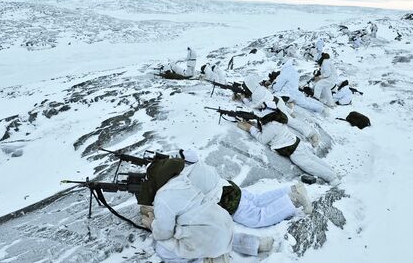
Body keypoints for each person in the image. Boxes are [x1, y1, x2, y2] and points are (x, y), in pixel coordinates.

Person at [137, 157, 272, 263]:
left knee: (163, 249)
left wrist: (153, 224)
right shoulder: (184, 180)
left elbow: (164, 233)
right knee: (214, 234)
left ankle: (208, 258)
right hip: (224, 223)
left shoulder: (162, 196)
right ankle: (254, 243)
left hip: (207, 239)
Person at [184, 158, 313, 229]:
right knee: (258, 200)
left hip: (225, 199)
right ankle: (292, 190)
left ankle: (293, 199)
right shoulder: (188, 161)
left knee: (257, 217)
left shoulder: (181, 178)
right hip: (228, 186)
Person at [235, 106, 339, 185]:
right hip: (296, 143)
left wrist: (250, 128)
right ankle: (333, 173)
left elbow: (262, 139)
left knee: (309, 165)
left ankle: (332, 178)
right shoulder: (277, 120)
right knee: (313, 159)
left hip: (292, 150)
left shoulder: (271, 126)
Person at [246, 79, 320, 147]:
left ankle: (312, 134)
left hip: (276, 105)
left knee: (289, 121)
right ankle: (289, 111)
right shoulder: (259, 88)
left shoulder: (256, 94)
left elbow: (255, 106)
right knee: (287, 116)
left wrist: (244, 99)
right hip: (277, 101)